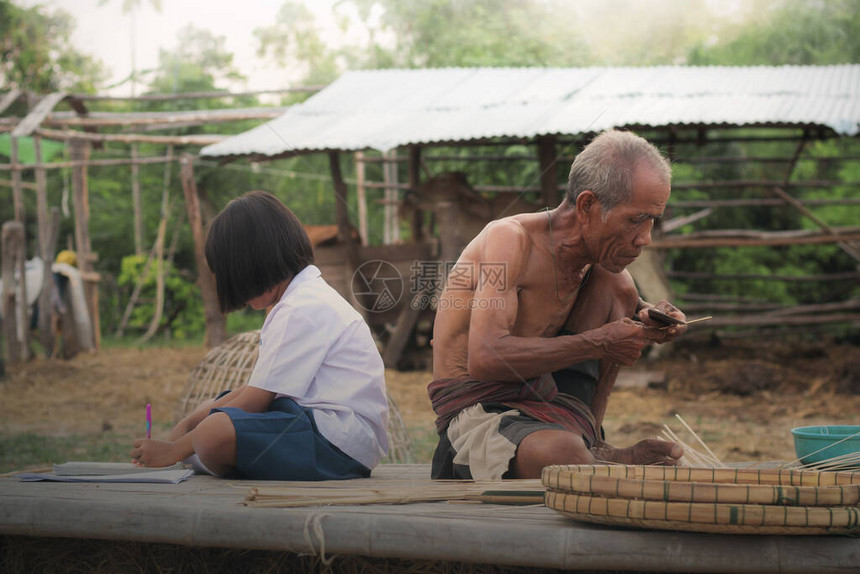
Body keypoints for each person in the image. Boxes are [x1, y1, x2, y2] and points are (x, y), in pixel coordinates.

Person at [429, 130, 687, 480]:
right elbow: (486, 358)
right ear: (587, 206)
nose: (645, 238)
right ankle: (589, 459)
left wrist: (652, 318)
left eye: (652, 219)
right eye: (635, 219)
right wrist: (601, 341)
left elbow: (625, 310)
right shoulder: (509, 240)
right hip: (480, 416)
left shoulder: (595, 265)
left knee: (619, 286)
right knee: (564, 455)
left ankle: (593, 443)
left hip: (550, 409)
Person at [131, 190, 390, 480]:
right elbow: (256, 388)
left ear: (250, 269)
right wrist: (191, 421)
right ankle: (207, 453)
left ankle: (205, 455)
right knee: (213, 415)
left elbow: (256, 400)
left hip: (337, 441)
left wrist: (176, 448)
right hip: (315, 427)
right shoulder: (299, 299)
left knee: (213, 433)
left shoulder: (302, 307)